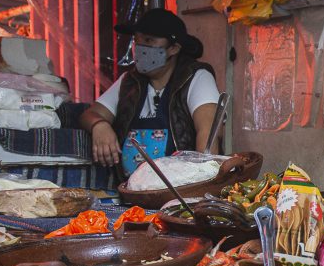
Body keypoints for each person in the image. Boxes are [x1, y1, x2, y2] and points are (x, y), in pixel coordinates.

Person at [80, 9, 221, 174]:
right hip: (131, 192)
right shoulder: (129, 82)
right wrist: (100, 125)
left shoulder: (196, 77)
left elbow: (208, 135)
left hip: (179, 193)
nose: (140, 48)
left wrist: (201, 179)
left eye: (149, 40)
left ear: (174, 48)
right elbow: (89, 115)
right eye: (137, 40)